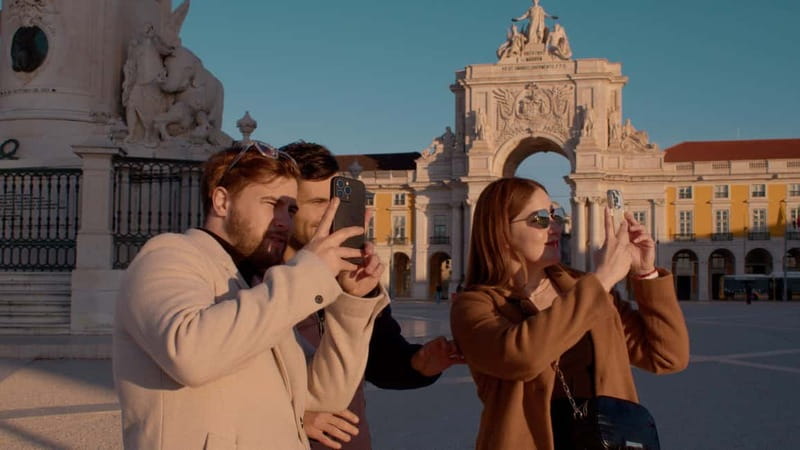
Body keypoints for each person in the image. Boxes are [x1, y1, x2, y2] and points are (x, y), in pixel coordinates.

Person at [113, 141, 389, 449]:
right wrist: (309, 272)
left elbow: (325, 395)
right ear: (221, 201)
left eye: (291, 209)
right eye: (272, 204)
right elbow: (190, 354)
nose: (285, 221)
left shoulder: (256, 286)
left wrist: (350, 306)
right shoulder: (168, 254)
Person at [450, 177, 689, 450]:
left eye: (555, 214)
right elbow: (520, 358)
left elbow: (667, 357)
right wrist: (602, 280)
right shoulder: (474, 305)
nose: (555, 226)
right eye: (540, 219)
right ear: (501, 231)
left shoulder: (585, 289)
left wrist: (646, 274)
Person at [281, 141, 464, 450]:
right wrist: (295, 415)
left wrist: (420, 363)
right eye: (318, 202)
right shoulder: (254, 282)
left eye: (336, 201)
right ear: (286, 207)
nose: (332, 212)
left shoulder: (348, 279)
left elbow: (381, 360)